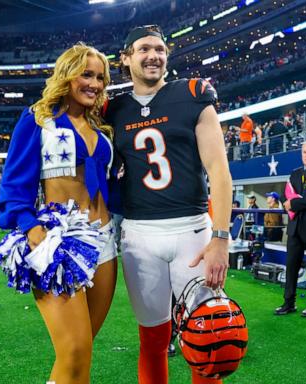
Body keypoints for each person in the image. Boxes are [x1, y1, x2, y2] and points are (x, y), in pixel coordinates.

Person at [105, 25, 232, 384]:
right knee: (152, 340)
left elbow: (219, 171)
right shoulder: (112, 109)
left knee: (209, 340)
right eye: (144, 49)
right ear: (126, 58)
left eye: (160, 49)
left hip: (193, 230)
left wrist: (220, 238)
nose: (154, 56)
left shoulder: (192, 93)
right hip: (139, 234)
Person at [0, 43, 117, 383]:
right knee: (73, 350)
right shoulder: (37, 120)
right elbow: (14, 185)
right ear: (67, 75)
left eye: (101, 78)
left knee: (84, 351)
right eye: (86, 74)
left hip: (106, 244)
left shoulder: (102, 128)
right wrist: (32, 230)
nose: (95, 83)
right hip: (59, 242)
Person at [275, 140, 306, 317]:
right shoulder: (294, 174)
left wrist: (293, 203)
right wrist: (288, 202)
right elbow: (284, 196)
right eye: (304, 152)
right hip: (294, 230)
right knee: (291, 268)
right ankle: (289, 303)